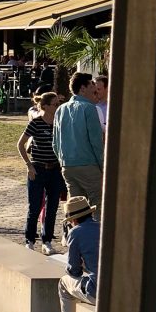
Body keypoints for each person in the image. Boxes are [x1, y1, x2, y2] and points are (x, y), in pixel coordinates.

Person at [17, 92, 66, 255]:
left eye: (57, 104)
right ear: (44, 106)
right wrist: (29, 165)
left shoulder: (59, 123)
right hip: (37, 169)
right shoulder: (36, 123)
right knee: (35, 206)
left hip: (55, 170)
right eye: (54, 104)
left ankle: (47, 241)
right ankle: (30, 240)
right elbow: (21, 144)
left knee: (52, 207)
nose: (56, 107)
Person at [53, 73, 105, 218]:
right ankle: (95, 238)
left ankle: (73, 236)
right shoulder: (89, 108)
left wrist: (63, 162)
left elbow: (55, 142)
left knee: (75, 208)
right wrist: (103, 167)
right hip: (88, 165)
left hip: (67, 165)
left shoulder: (60, 109)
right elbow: (96, 142)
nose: (94, 90)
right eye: (92, 86)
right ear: (83, 88)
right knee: (98, 204)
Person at [57, 196, 99, 312]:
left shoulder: (75, 233)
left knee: (63, 284)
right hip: (121, 289)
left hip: (97, 291)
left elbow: (74, 271)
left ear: (73, 220)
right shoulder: (105, 226)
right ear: (90, 213)